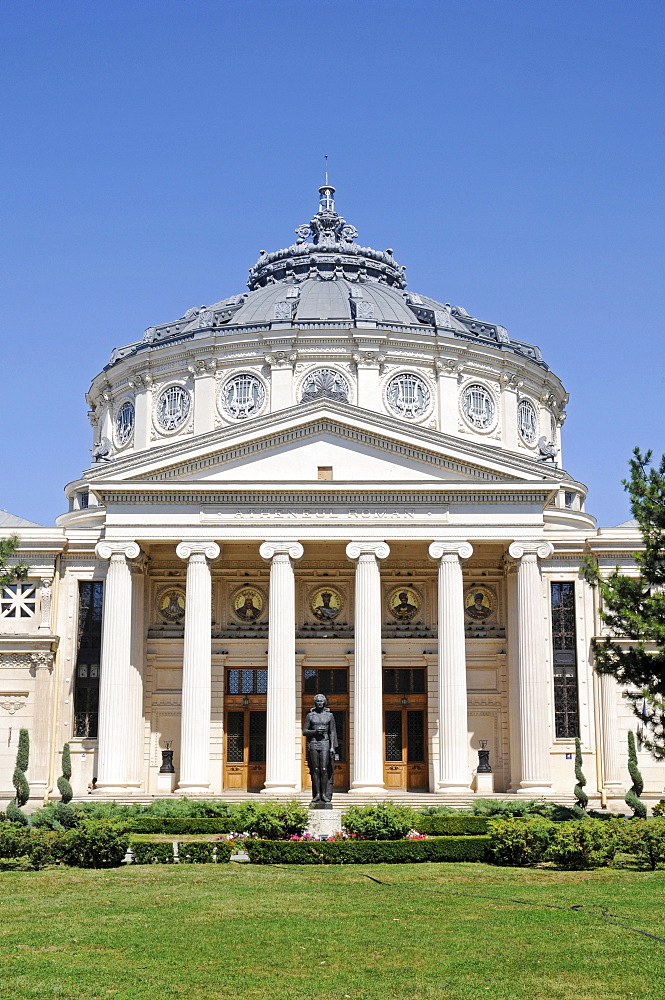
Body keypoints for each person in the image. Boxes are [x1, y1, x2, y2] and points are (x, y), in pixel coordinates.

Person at [303, 694, 339, 806]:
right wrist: (315, 732)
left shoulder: (329, 716)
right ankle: (317, 794)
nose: (319, 703)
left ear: (324, 702)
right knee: (316, 769)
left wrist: (332, 747)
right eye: (317, 701)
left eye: (321, 701)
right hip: (314, 743)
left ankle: (324, 794)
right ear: (315, 702)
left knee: (324, 769)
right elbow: (305, 731)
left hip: (325, 743)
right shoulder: (310, 715)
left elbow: (332, 732)